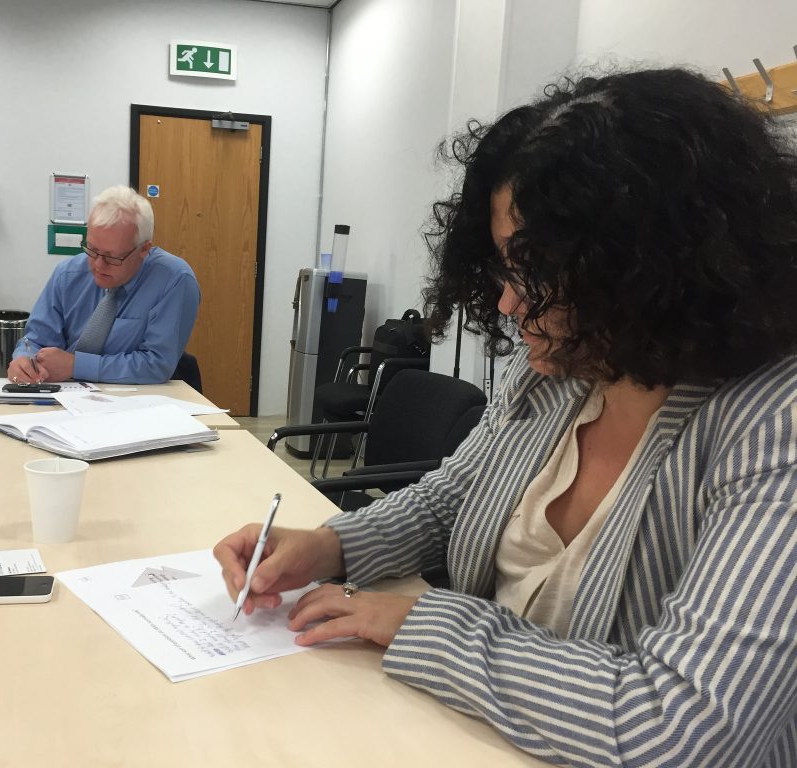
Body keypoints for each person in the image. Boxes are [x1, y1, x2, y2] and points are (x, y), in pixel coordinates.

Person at [214, 68, 797, 766]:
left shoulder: (773, 426)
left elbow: (682, 729)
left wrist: (431, 626)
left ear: (656, 265)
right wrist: (332, 547)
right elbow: (453, 499)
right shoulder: (562, 371)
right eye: (503, 267)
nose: (508, 305)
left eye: (538, 270)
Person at [8, 185, 199, 384]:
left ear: (144, 249)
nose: (98, 265)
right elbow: (37, 340)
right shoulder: (68, 274)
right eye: (92, 249)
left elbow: (156, 364)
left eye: (112, 257)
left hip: (140, 402)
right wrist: (23, 360)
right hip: (66, 400)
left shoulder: (174, 280)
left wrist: (76, 365)